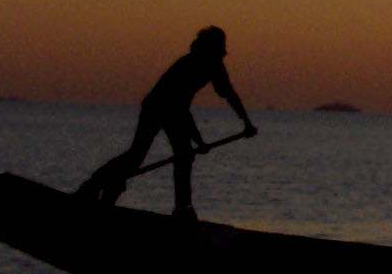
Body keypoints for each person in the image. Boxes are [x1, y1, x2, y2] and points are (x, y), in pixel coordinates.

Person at [77, 26, 257, 218]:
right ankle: (94, 186)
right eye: (219, 45)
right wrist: (199, 141)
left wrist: (245, 121)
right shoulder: (191, 64)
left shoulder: (214, 66)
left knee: (180, 156)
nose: (223, 51)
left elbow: (227, 94)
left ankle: (180, 206)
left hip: (174, 110)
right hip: (157, 106)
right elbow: (179, 107)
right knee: (141, 156)